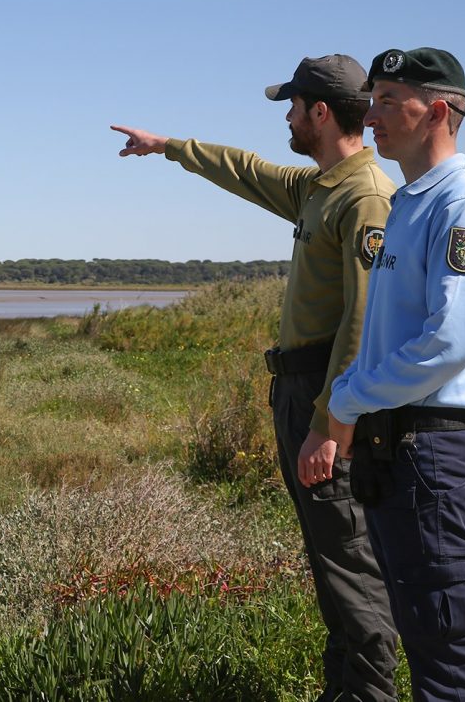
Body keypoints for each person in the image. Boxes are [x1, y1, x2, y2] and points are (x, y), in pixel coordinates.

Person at [112, 54, 398, 702]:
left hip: (330, 399)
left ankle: (369, 693)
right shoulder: (320, 187)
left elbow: (366, 322)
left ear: (320, 112)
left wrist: (330, 424)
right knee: (331, 563)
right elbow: (245, 170)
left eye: (293, 107)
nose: (288, 120)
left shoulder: (366, 195)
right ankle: (342, 692)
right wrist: (168, 148)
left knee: (350, 564)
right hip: (299, 393)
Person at [328, 48, 465, 702]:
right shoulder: (410, 203)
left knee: (446, 657)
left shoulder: (464, 207)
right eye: (370, 99)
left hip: (436, 456)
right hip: (399, 453)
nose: (370, 114)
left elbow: (448, 343)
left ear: (437, 110)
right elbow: (389, 338)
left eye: (386, 99)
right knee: (422, 637)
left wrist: (345, 401)